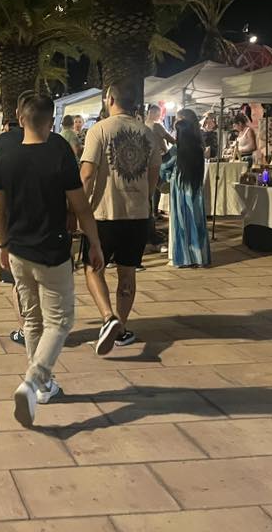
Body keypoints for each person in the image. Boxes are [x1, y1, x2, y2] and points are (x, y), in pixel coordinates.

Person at [0, 94, 104, 426]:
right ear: (51, 119)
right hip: (52, 251)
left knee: (32, 321)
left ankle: (43, 387)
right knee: (61, 321)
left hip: (18, 251)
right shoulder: (60, 153)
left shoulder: (5, 155)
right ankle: (33, 382)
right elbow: (80, 206)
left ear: (18, 117)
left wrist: (2, 244)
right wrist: (94, 242)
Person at [0, 90, 70, 345]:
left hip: (15, 228)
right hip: (53, 228)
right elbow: (74, 189)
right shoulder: (57, 143)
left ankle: (27, 330)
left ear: (19, 116)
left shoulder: (1, 145)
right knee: (51, 285)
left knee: (20, 283)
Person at [81, 84, 160, 353]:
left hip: (105, 213)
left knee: (93, 268)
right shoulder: (148, 134)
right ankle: (122, 329)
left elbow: (87, 174)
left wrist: (78, 207)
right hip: (137, 215)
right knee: (127, 272)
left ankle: (108, 317)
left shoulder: (99, 130)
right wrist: (144, 200)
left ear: (110, 99)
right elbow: (153, 175)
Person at [161, 119, 211, 268]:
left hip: (180, 187)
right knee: (196, 220)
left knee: (182, 222)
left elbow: (163, 166)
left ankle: (183, 257)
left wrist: (169, 176)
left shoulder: (176, 150)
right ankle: (200, 256)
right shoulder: (198, 148)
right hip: (195, 188)